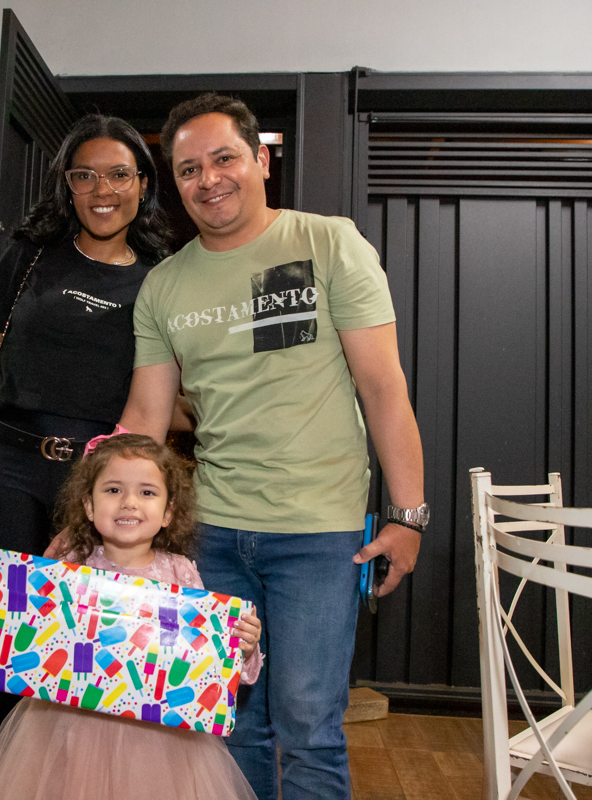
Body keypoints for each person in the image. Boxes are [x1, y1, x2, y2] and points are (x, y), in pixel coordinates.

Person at [117, 94, 428, 799]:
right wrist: (100, 517)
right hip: (211, 535)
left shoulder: (328, 243)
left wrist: (408, 515)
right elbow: (145, 415)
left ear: (261, 160)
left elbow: (383, 386)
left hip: (319, 533)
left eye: (224, 158)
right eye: (188, 168)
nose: (208, 179)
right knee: (228, 724)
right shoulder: (164, 285)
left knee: (309, 727)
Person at [0, 114, 173, 760]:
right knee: (7, 634)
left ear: (143, 183)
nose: (103, 189)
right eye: (85, 175)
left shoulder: (163, 276)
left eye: (119, 174)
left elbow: (163, 397)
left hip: (97, 483)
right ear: (67, 185)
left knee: (87, 642)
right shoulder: (30, 257)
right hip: (6, 468)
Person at [0, 434, 263, 800]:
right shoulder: (68, 568)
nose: (129, 502)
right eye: (114, 490)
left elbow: (205, 660)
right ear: (89, 505)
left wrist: (243, 646)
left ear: (168, 512)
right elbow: (16, 639)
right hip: (68, 729)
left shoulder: (181, 573)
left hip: (157, 743)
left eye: (147, 492)